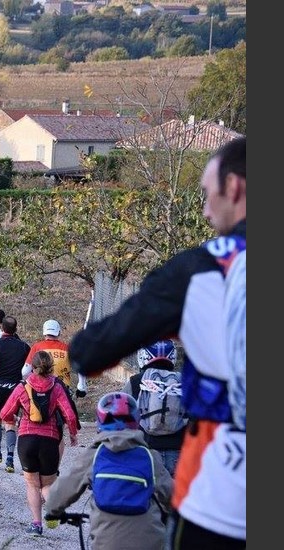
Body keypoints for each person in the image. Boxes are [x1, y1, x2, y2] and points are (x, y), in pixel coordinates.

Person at [68, 137, 245, 549]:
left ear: (234, 188)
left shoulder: (200, 270)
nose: (203, 209)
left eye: (207, 193)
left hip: (220, 498)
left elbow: (91, 353)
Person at [44, 392, 173, 550]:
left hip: (106, 542)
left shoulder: (95, 455)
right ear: (136, 420)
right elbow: (172, 495)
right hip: (148, 541)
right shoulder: (150, 456)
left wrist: (53, 510)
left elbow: (63, 489)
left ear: (100, 422)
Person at [1, 350, 79, 535]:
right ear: (50, 366)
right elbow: (69, 415)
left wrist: (15, 420)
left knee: (32, 484)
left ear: (32, 367)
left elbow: (5, 413)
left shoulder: (23, 387)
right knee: (47, 484)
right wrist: (73, 435)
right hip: (50, 440)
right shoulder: (57, 387)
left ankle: (36, 524)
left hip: (27, 439)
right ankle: (52, 511)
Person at [123, 339, 187, 477]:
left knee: (145, 492)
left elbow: (120, 415)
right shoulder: (185, 381)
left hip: (146, 449)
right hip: (178, 451)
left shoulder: (135, 381)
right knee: (175, 495)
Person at [23, 319, 86, 459]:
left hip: (39, 390)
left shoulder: (37, 347)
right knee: (59, 430)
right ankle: (55, 465)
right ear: (58, 332)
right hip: (62, 391)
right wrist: (82, 386)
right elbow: (80, 368)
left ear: (44, 331)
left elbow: (24, 371)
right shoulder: (67, 348)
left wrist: (29, 382)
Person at [0, 315, 30, 473]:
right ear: (16, 330)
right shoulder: (24, 347)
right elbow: (28, 369)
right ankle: (10, 458)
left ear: (2, 329)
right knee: (10, 422)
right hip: (15, 389)